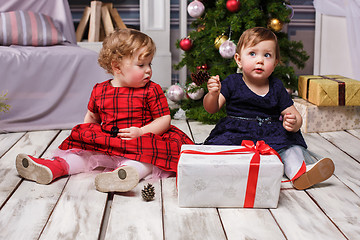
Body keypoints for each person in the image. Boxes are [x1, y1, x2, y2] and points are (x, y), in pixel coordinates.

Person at [16, 29, 194, 192]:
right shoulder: (100, 89)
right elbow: (92, 117)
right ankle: (55, 167)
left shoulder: (151, 90)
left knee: (147, 159)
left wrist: (142, 131)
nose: (148, 70)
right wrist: (86, 142)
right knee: (85, 157)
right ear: (117, 67)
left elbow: (164, 119)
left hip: (140, 141)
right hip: (109, 142)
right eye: (141, 65)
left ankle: (123, 175)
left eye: (150, 64)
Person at [203, 27, 334, 190]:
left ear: (276, 62)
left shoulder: (277, 86)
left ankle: (299, 174)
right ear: (238, 59)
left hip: (271, 133)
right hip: (237, 131)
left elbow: (294, 114)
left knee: (291, 149)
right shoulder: (232, 82)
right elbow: (211, 108)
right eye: (252, 54)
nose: (260, 60)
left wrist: (294, 122)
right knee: (223, 150)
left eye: (267, 55)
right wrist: (213, 94)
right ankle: (229, 172)